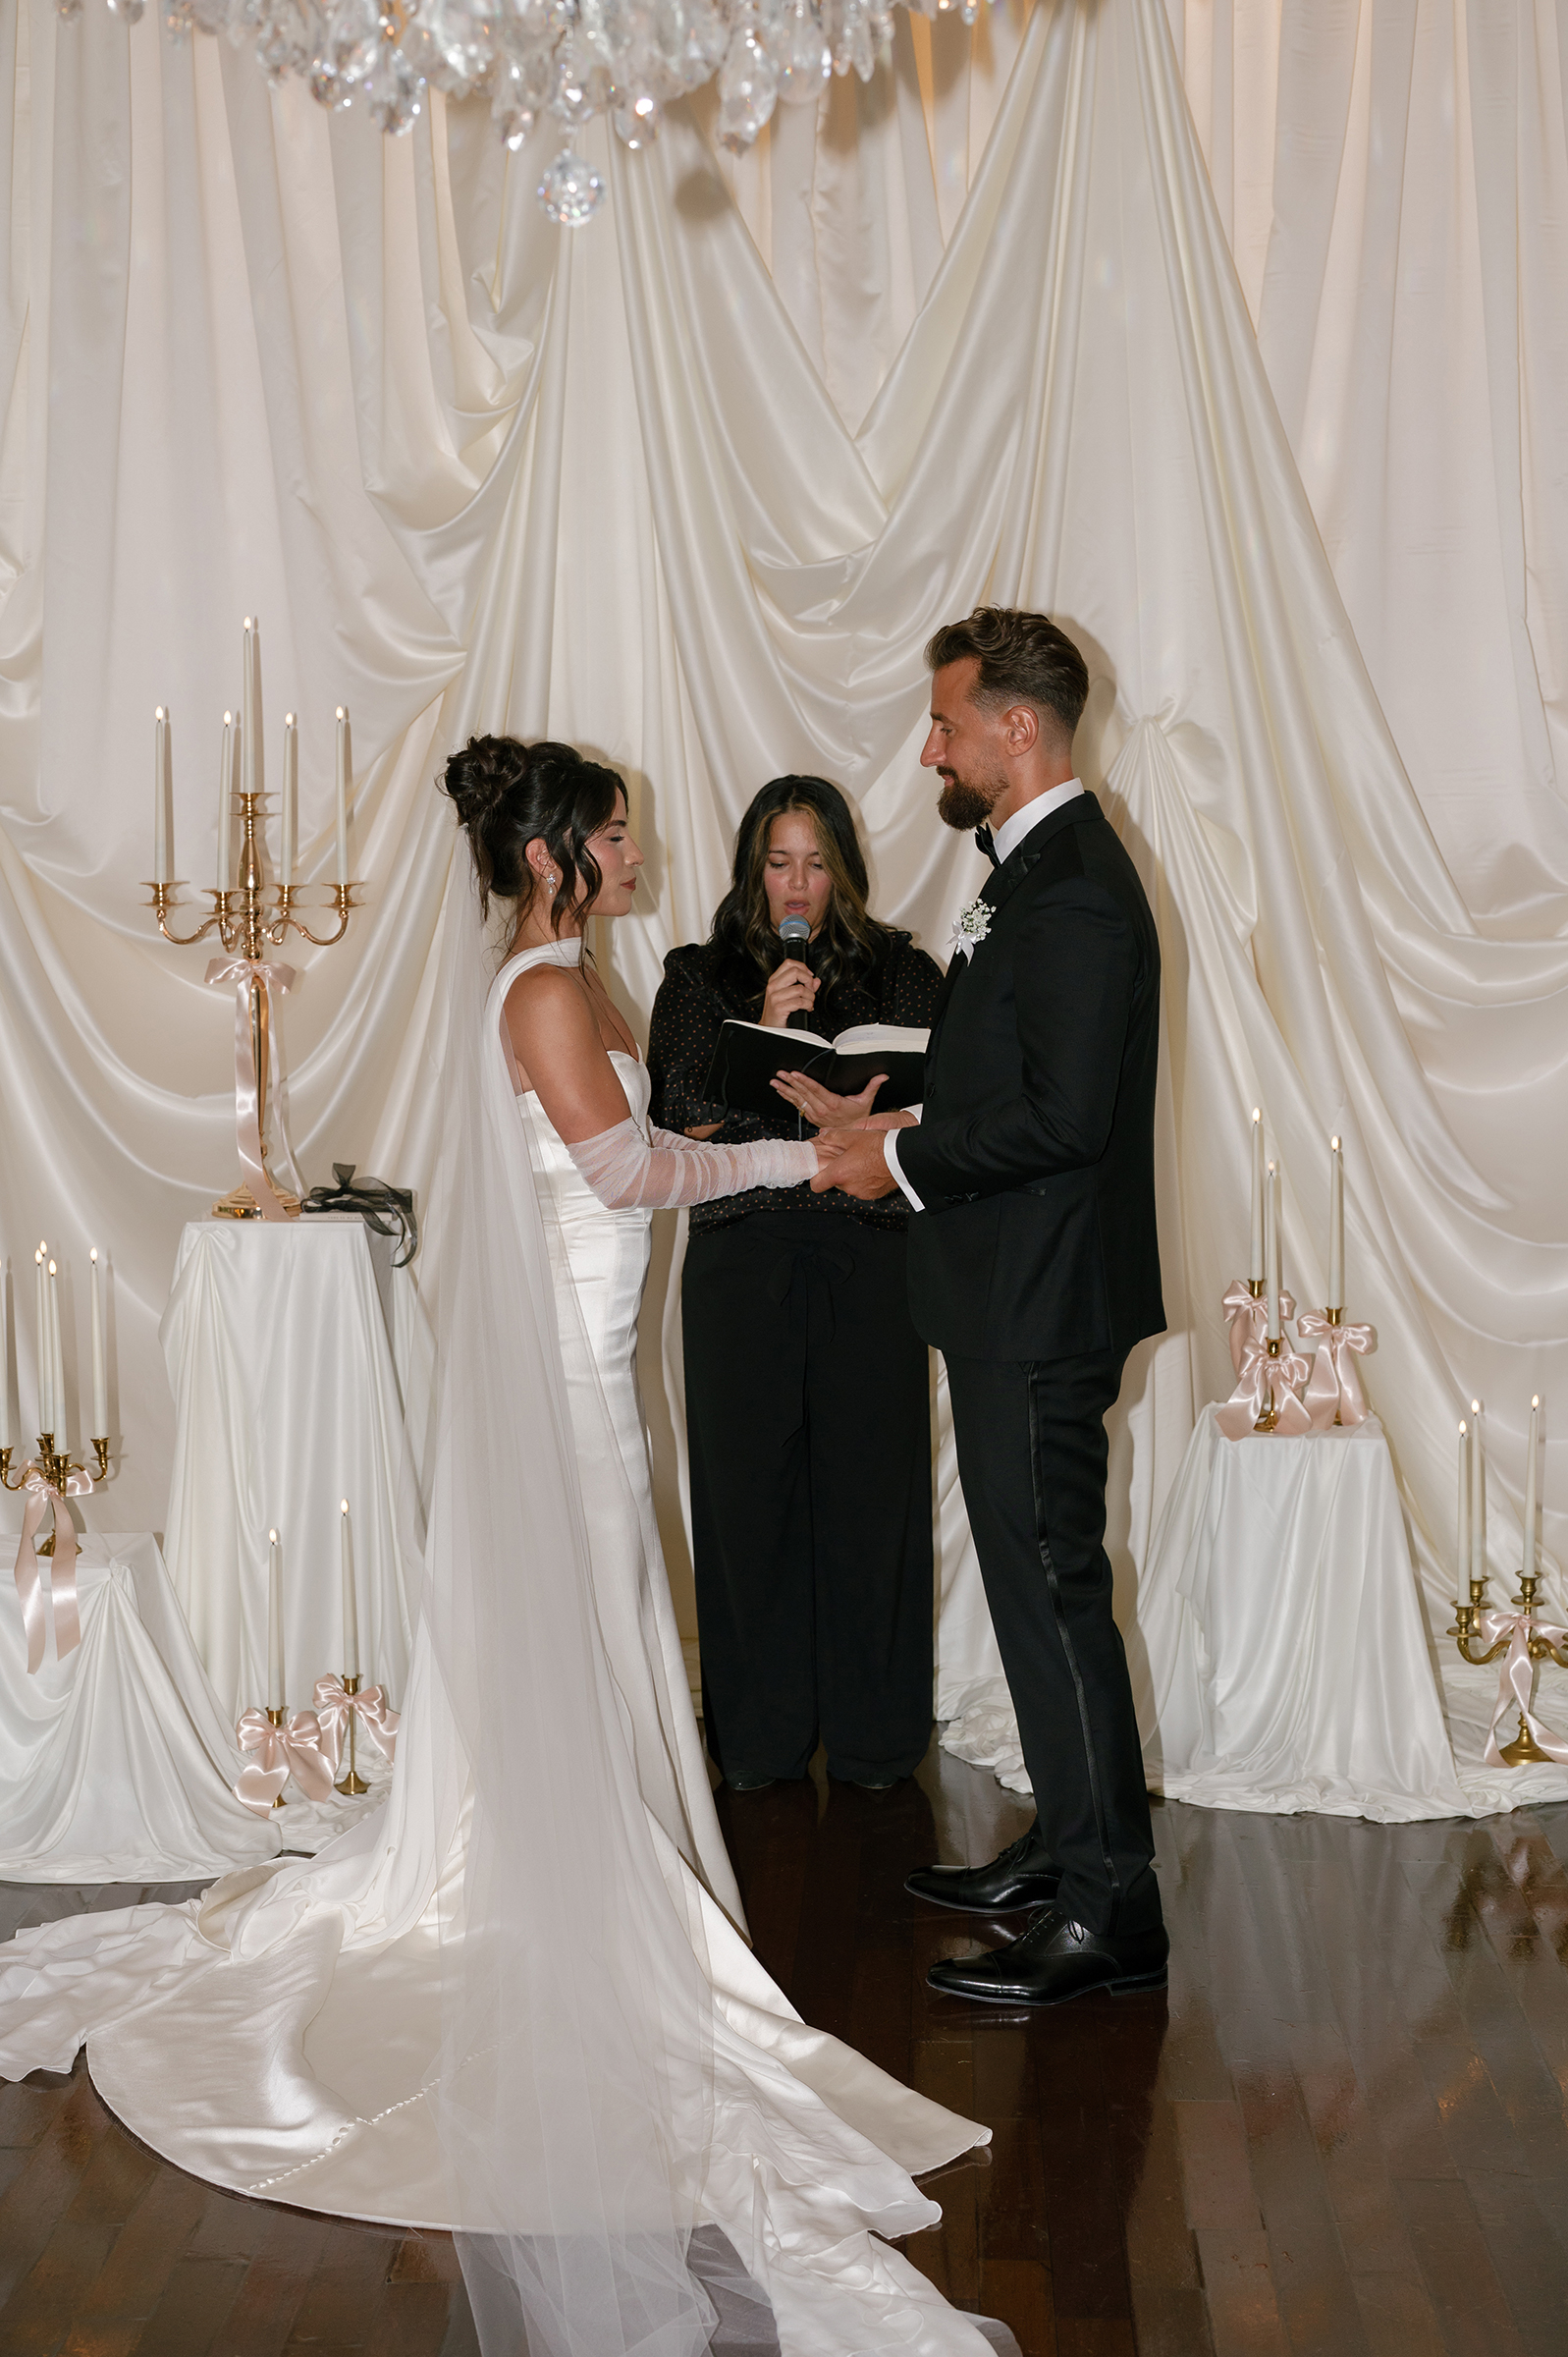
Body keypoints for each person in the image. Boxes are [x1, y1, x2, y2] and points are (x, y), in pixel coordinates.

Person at [0, 734, 1010, 2357]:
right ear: (552, 857)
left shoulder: (572, 974)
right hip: (564, 1388)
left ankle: (586, 1882)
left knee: (595, 1644)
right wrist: (798, 1155)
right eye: (614, 833)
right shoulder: (544, 993)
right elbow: (624, 1170)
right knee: (581, 1637)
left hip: (590, 1374)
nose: (636, 850)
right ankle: (557, 1911)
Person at [814, 610, 1169, 2010]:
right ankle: (1071, 1848)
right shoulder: (1032, 870)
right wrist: (892, 1108)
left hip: (1038, 1297)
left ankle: (1110, 1910)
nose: (929, 751)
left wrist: (895, 1162)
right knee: (1036, 1590)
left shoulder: (1072, 885)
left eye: (946, 725)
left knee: (1055, 1590)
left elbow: (1067, 1120)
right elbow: (1013, 1074)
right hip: (1011, 1284)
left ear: (1016, 730)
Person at [648, 775, 944, 1792]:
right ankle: (759, 1742)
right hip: (744, 1252)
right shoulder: (698, 976)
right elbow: (673, 1118)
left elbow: (943, 1104)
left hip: (870, 1251)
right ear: (752, 869)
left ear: (843, 869)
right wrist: (766, 1033)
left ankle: (876, 1742)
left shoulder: (902, 971)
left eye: (816, 863)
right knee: (747, 1500)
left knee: (873, 1496)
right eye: (779, 862)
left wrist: (866, 1119)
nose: (798, 883)